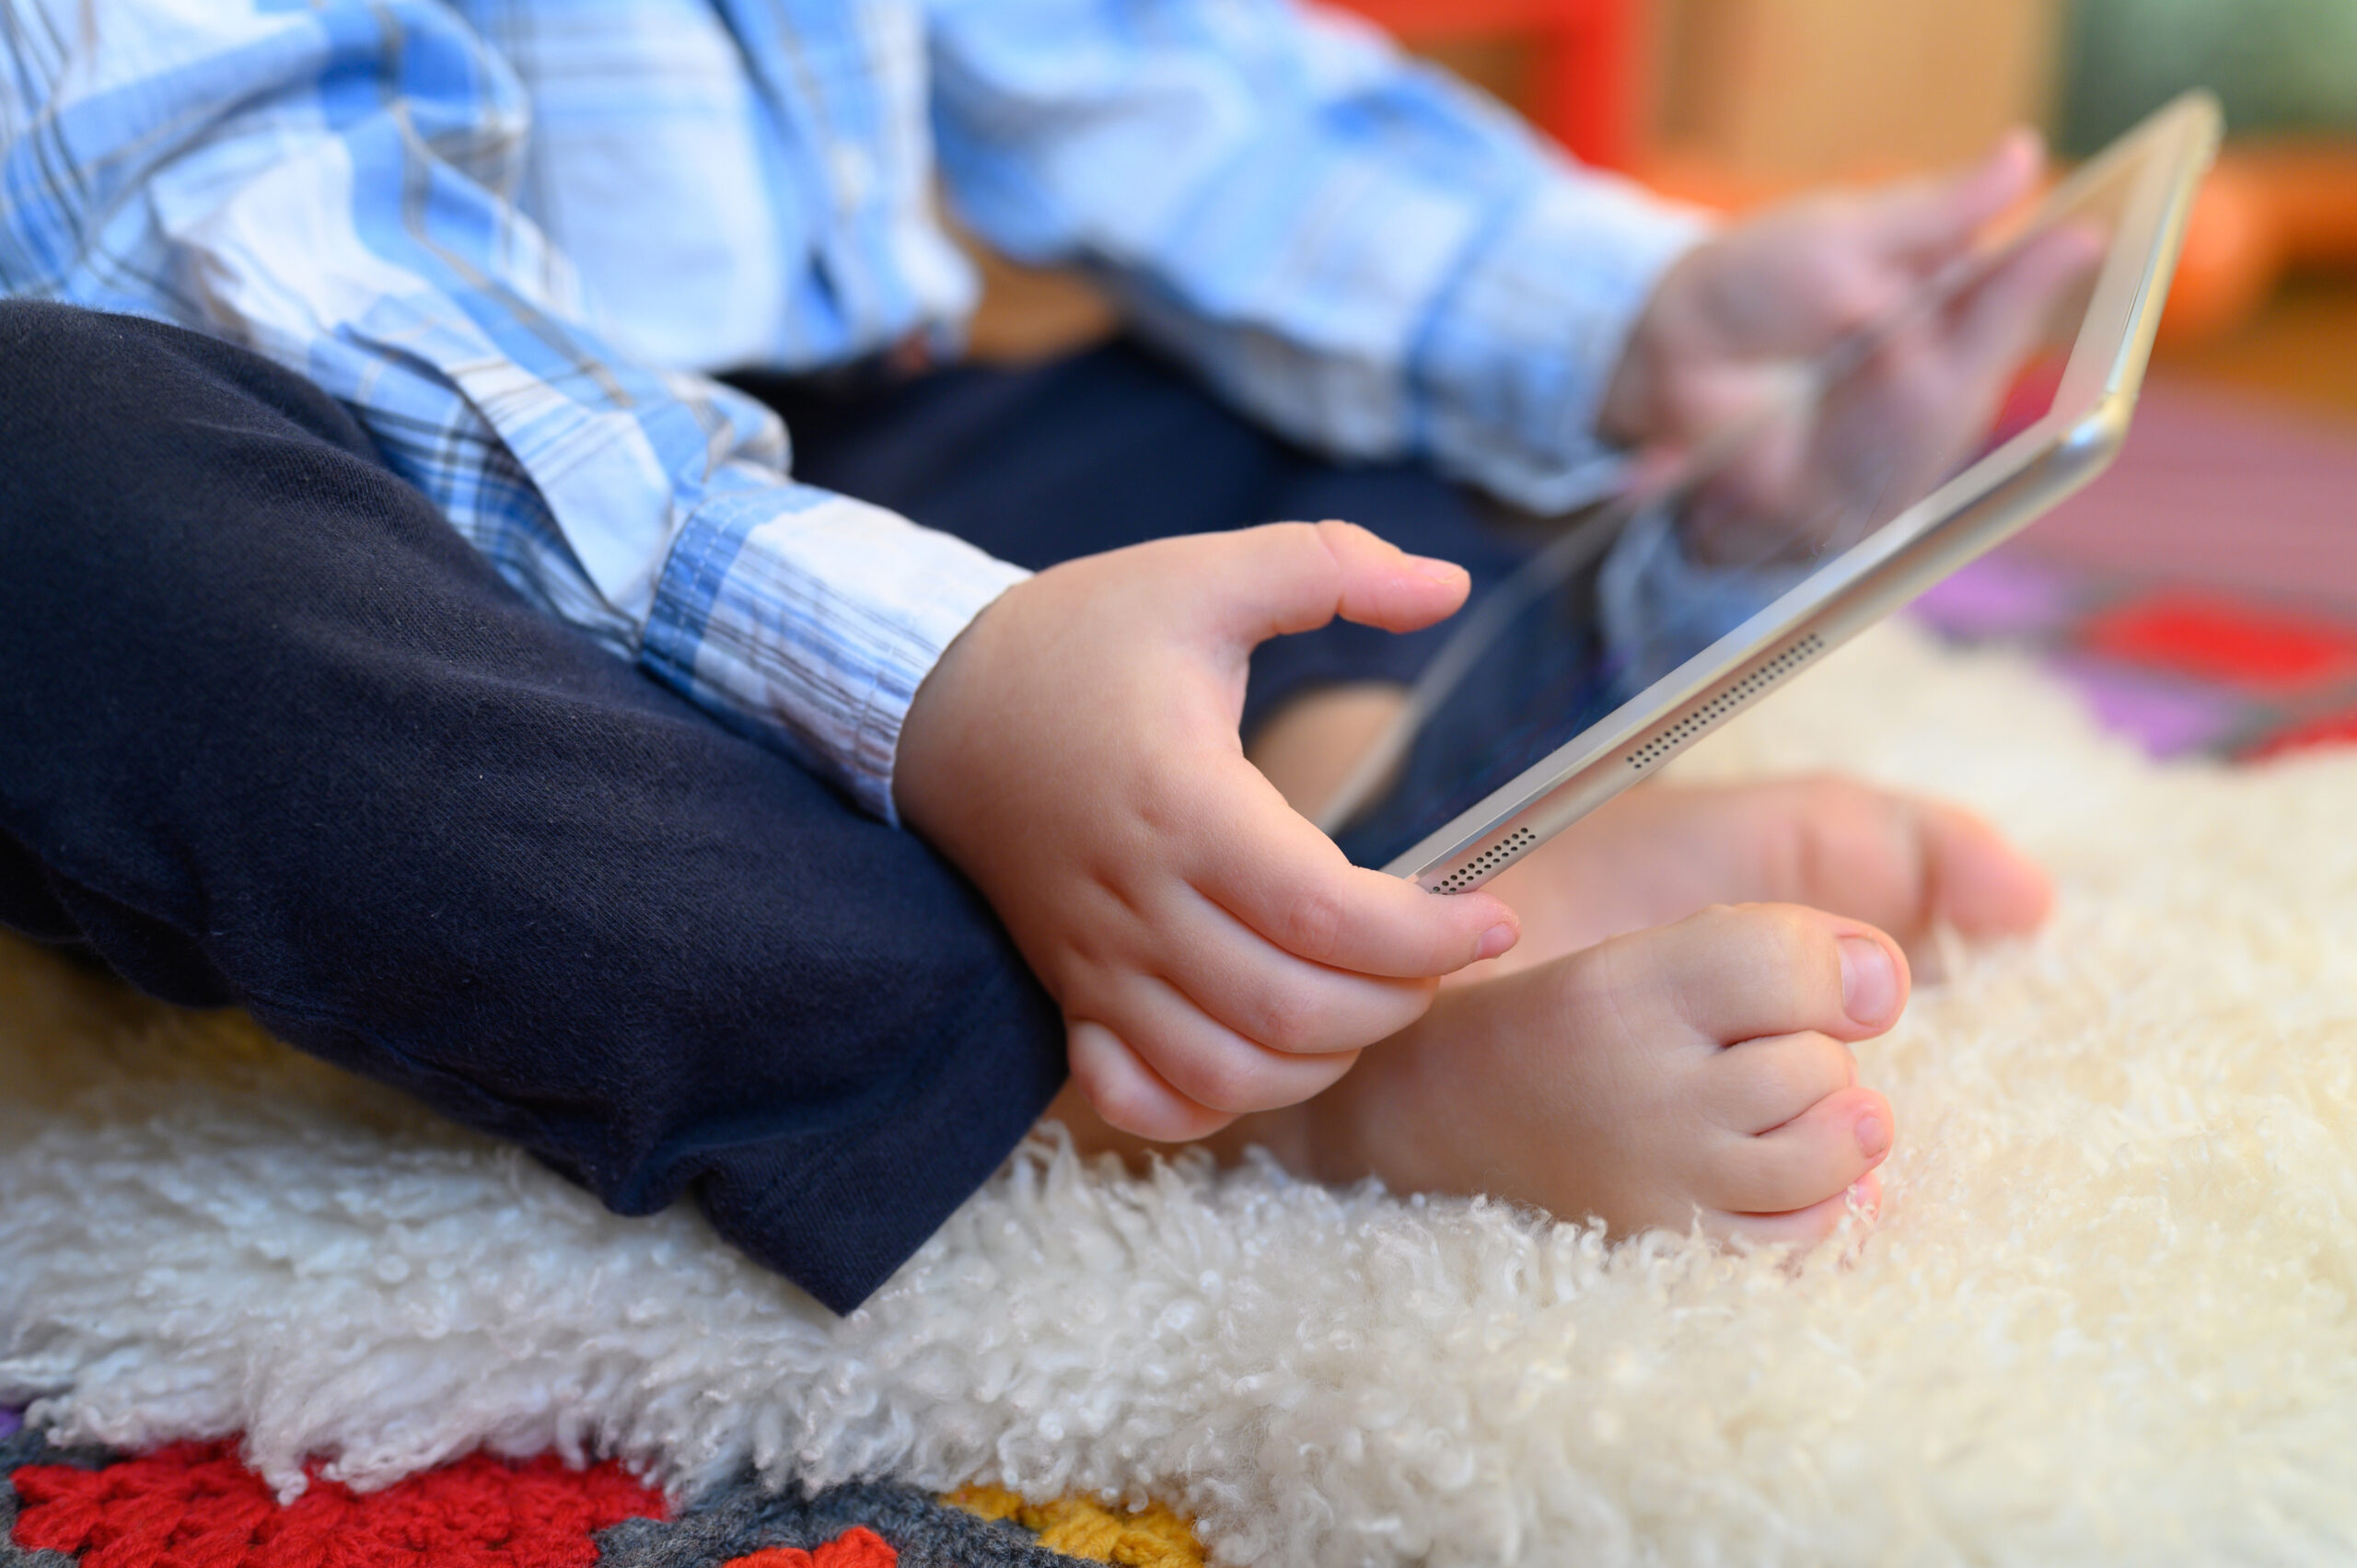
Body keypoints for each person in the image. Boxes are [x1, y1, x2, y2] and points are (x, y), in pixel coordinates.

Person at [0, 0, 2059, 1314]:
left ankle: (1340, 836)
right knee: (51, 490)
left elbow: (1147, 74)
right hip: (301, 470)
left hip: (743, 431)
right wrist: (945, 672)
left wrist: (1652, 322)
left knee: (1284, 394)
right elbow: (232, 256)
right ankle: (1222, 1086)